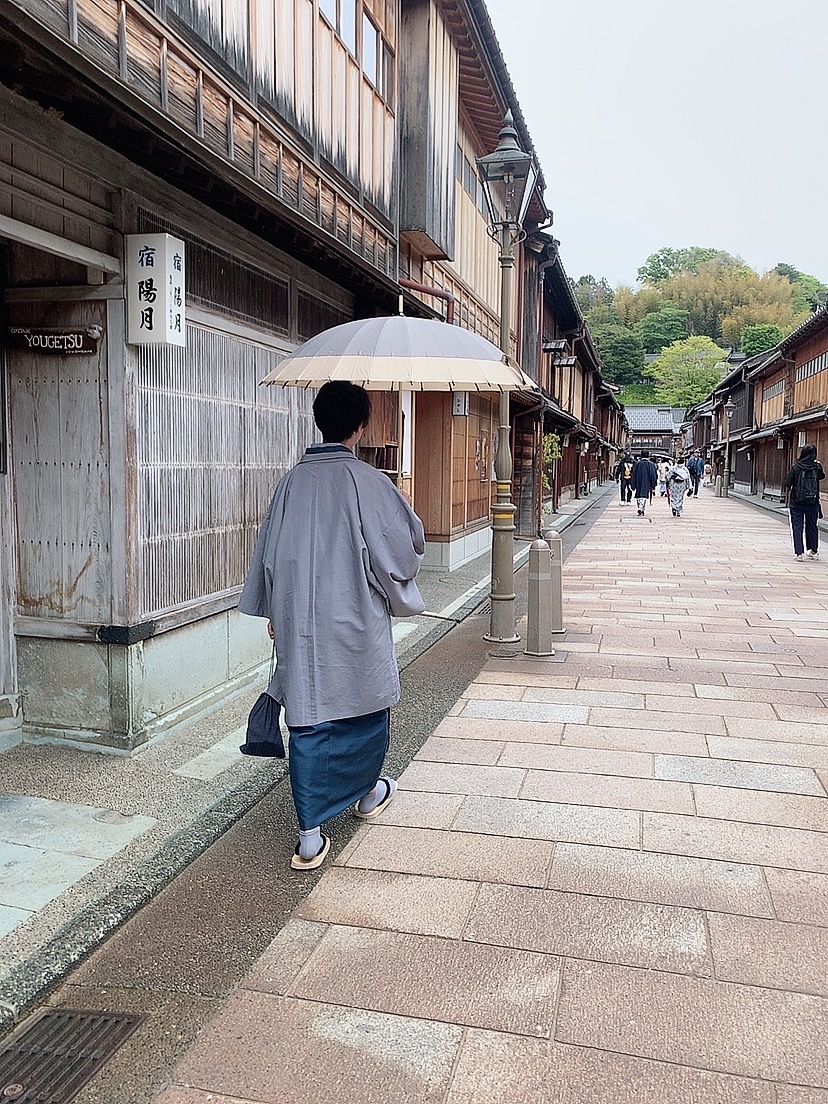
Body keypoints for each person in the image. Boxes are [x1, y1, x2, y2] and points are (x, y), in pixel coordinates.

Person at [239, 381, 425, 871]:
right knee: (362, 711)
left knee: (308, 717)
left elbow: (270, 556)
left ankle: (310, 833)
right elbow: (402, 551)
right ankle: (365, 794)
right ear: (360, 425)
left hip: (301, 622)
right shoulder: (369, 481)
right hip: (355, 619)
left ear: (319, 420)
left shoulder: (290, 482)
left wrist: (277, 613)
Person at [785, 443, 824, 561]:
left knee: (797, 526)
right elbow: (822, 476)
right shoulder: (816, 467)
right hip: (812, 501)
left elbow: (787, 483)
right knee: (812, 526)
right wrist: (818, 465)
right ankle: (813, 551)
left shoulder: (795, 467)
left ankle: (799, 553)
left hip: (796, 502)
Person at [631, 450, 658, 516]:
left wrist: (633, 484)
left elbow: (633, 474)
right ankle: (641, 508)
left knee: (638, 495)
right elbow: (653, 475)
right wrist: (653, 484)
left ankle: (640, 508)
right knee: (643, 495)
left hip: (638, 481)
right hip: (646, 481)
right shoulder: (651, 465)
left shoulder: (637, 464)